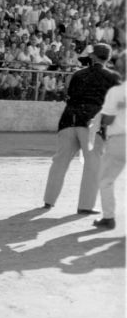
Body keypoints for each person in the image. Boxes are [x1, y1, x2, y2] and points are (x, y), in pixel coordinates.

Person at [42, 43, 121, 214]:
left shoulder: (77, 74)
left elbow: (69, 96)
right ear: (107, 58)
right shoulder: (112, 77)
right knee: (93, 165)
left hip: (69, 119)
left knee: (60, 162)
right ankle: (85, 206)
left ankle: (48, 201)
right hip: (92, 121)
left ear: (92, 56)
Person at [91, 53, 126, 229]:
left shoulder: (116, 92)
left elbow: (109, 120)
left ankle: (109, 218)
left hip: (120, 139)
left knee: (106, 179)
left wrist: (103, 118)